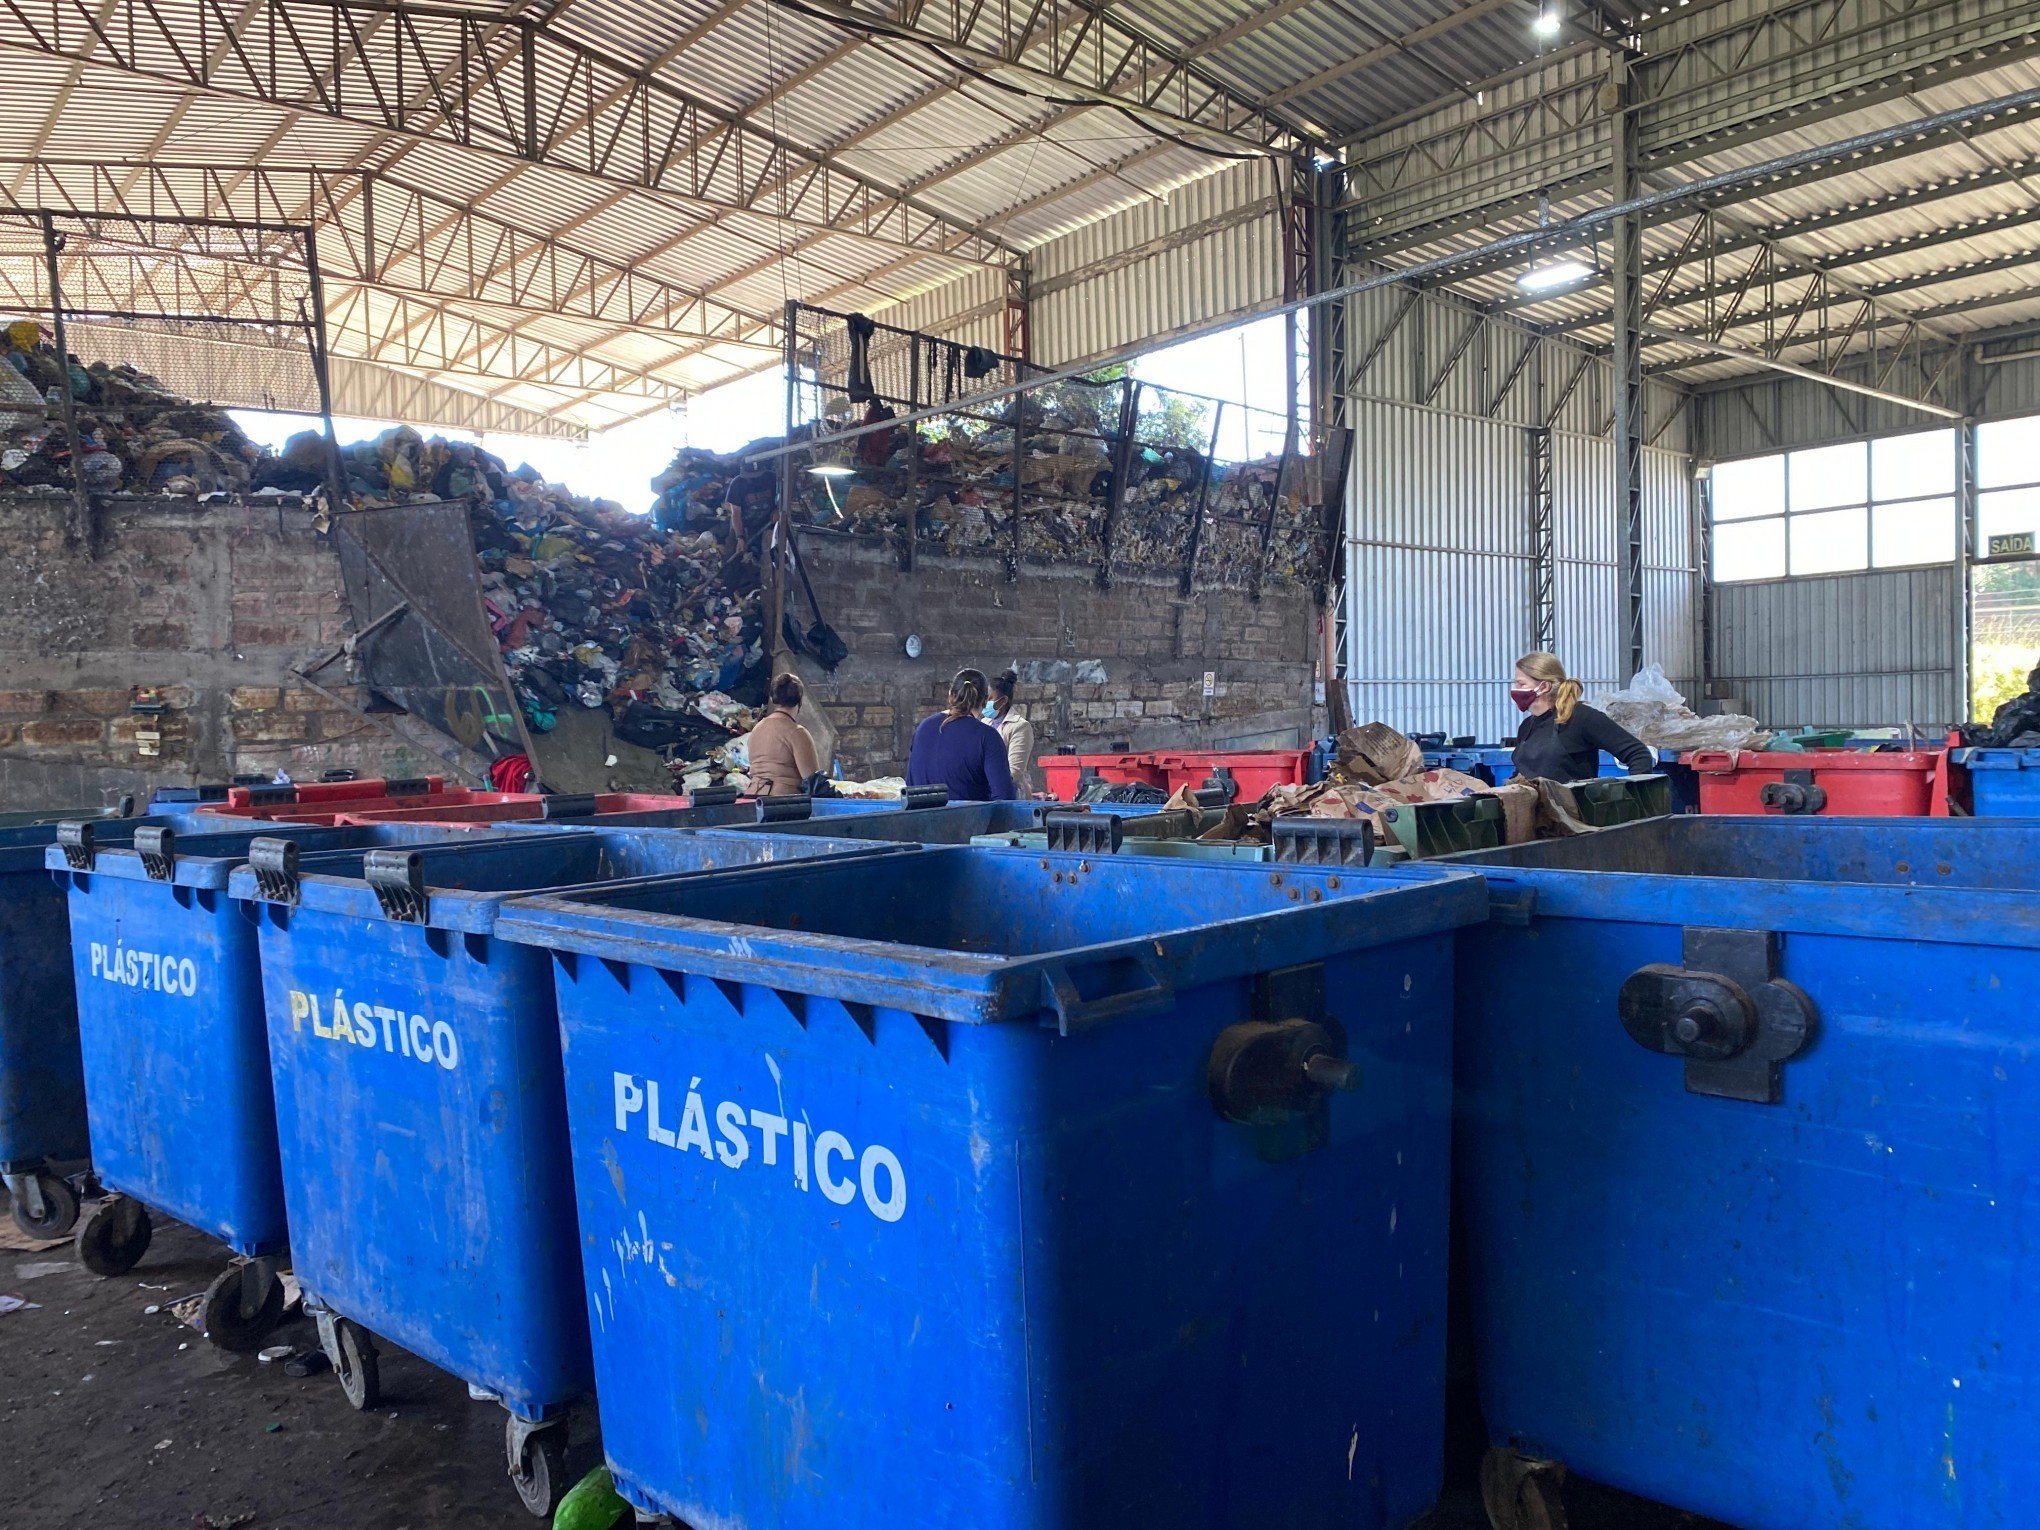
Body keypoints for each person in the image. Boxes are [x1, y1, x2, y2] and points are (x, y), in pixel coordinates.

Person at [1509, 651, 1656, 782]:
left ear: (1544, 687)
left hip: (1572, 811)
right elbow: (1522, 774)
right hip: (1534, 811)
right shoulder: (1527, 726)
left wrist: (1633, 797)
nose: (1514, 690)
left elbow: (1638, 754)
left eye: (1521, 684)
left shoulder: (1582, 718)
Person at [906, 668, 1015, 802]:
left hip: (920, 819)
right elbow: (1004, 797)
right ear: (985, 700)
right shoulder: (987, 737)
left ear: (950, 694)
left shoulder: (923, 727)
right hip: (969, 820)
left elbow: (910, 784)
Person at [745, 671, 820, 797]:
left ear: (772, 698)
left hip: (753, 797)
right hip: (782, 803)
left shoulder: (757, 728)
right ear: (800, 700)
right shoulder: (797, 732)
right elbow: (813, 781)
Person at [983, 668, 1039, 797]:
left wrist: (991, 784)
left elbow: (1015, 771)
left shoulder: (1020, 727)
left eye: (990, 699)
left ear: (1003, 701)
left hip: (1011, 793)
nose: (985, 703)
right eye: (985, 698)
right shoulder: (984, 723)